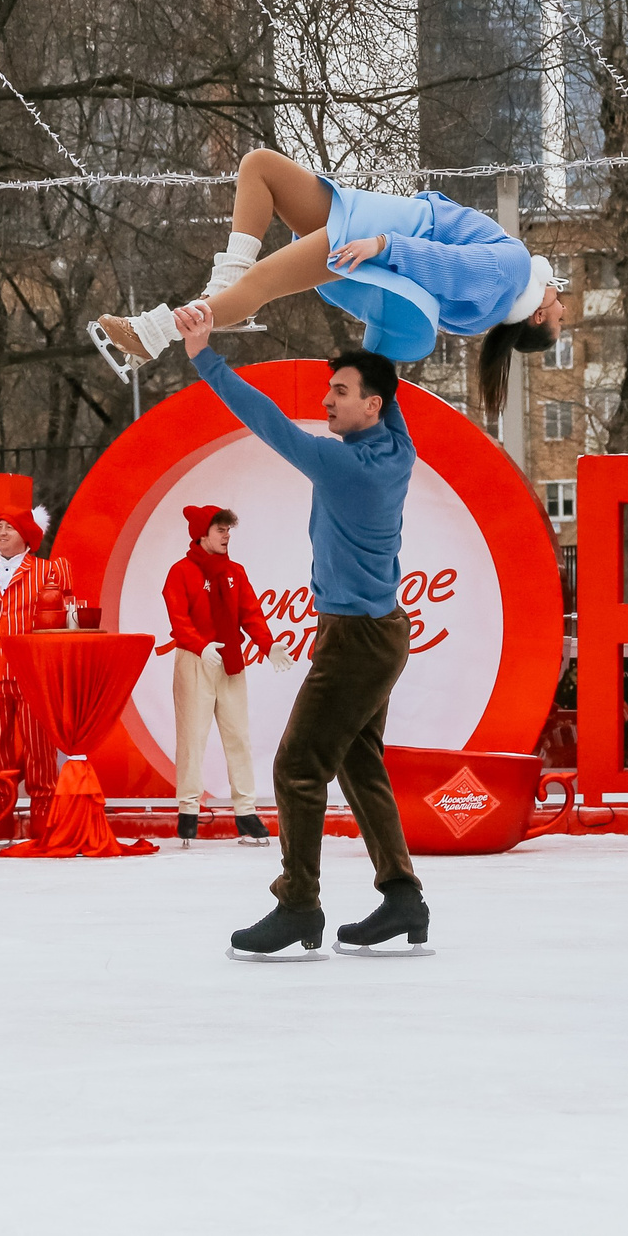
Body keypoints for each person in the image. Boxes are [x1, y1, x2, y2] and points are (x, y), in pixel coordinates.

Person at [174, 302, 428, 960]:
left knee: (295, 764)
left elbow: (267, 422)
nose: (327, 400)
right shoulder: (397, 444)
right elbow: (386, 373)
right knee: (358, 759)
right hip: (381, 632)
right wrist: (375, 305)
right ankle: (402, 895)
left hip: (355, 639)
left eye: (340, 392)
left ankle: (299, 903)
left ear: (373, 405)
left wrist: (206, 357)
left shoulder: (343, 464)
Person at [89, 149, 568, 406]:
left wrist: (382, 245)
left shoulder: (513, 269)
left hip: (381, 234)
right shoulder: (484, 312)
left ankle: (154, 334)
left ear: (538, 314)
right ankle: (222, 294)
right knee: (260, 168)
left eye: (560, 320)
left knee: (259, 285)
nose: (565, 308)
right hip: (379, 224)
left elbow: (446, 261)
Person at [163, 503, 285, 846]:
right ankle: (188, 812)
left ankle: (245, 812)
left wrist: (267, 645)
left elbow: (250, 613)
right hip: (196, 662)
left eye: (229, 529)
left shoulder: (236, 572)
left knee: (238, 738)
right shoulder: (181, 572)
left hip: (230, 662)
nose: (227, 535)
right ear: (203, 534)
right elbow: (179, 620)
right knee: (192, 738)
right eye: (220, 529)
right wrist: (201, 646)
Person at [0, 505, 73, 838]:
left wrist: (58, 667)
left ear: (27, 536)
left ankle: (43, 819)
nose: (2, 533)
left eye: (10, 527)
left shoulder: (48, 572)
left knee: (39, 748)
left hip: (32, 672)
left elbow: (63, 622)